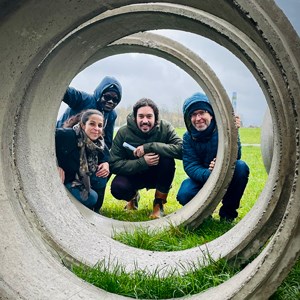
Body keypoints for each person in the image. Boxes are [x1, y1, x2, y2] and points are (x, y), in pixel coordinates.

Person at [176, 92, 250, 222]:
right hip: (203, 177)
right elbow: (190, 166)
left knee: (241, 167)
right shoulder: (188, 137)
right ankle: (204, 215)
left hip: (225, 174)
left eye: (202, 112)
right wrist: (211, 173)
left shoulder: (225, 130)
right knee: (185, 193)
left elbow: (236, 156)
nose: (198, 118)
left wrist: (233, 132)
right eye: (193, 114)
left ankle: (227, 215)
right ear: (189, 118)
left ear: (211, 114)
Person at [109, 98, 182, 219]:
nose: (145, 121)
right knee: (118, 188)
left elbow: (181, 150)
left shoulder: (166, 128)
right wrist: (142, 162)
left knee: (167, 159)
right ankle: (133, 198)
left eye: (149, 116)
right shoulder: (123, 132)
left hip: (157, 174)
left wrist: (149, 147)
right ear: (135, 117)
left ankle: (159, 204)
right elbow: (113, 163)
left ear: (156, 117)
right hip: (134, 173)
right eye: (141, 116)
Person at [55, 109, 110, 212]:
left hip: (80, 178)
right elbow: (45, 142)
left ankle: (95, 210)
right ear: (83, 125)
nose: (96, 129)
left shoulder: (98, 143)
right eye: (92, 124)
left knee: (101, 176)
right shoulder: (66, 135)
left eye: (100, 125)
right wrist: (55, 166)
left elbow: (106, 155)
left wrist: (105, 163)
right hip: (67, 179)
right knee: (91, 197)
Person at [56, 76, 122, 149]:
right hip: (62, 139)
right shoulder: (83, 99)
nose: (110, 102)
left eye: (115, 100)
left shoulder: (111, 115)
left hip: (84, 148)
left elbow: (107, 143)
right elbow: (64, 91)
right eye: (107, 97)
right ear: (100, 94)